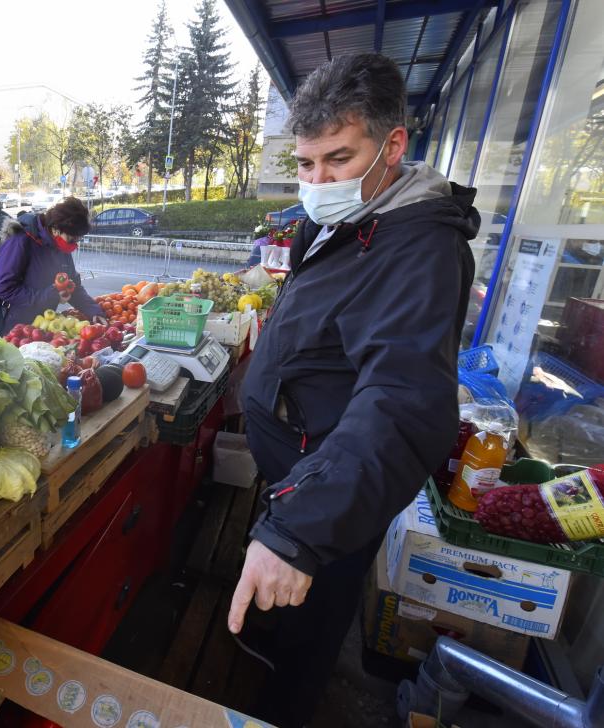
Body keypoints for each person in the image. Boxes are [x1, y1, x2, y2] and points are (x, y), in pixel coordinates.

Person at [228, 54, 477, 728]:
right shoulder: (350, 214)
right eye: (305, 164)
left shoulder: (419, 249)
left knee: (314, 624)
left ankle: (281, 708)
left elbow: (402, 403)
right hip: (305, 468)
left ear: (392, 145)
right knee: (290, 610)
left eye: (337, 158)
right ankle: (272, 646)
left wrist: (299, 534)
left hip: (335, 488)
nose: (317, 181)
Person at [0, 197, 106, 334]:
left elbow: (72, 284)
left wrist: (94, 311)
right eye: (71, 238)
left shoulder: (59, 246)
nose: (74, 244)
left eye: (77, 239)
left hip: (46, 324)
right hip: (18, 326)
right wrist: (47, 296)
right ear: (56, 229)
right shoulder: (20, 241)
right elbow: (3, 287)